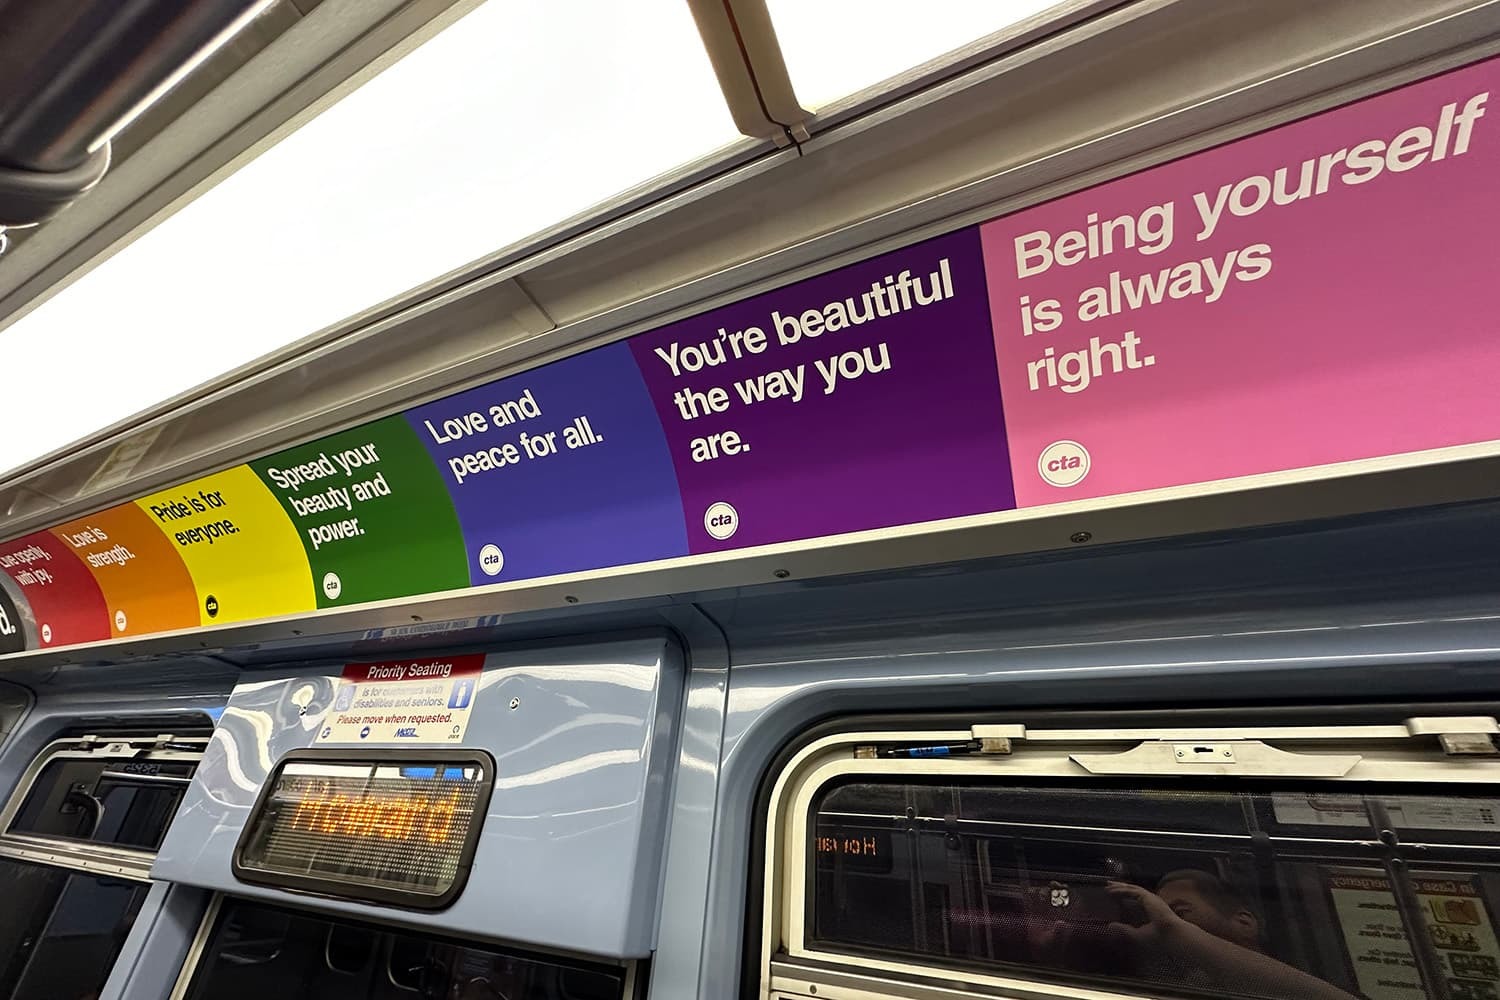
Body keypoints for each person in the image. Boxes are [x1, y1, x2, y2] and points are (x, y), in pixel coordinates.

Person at [1102, 871, 1358, 1000]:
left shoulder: (1311, 983)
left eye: (1179, 912)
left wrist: (1176, 931)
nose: (1161, 922)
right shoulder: (1170, 984)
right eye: (1159, 914)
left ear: (1244, 922)